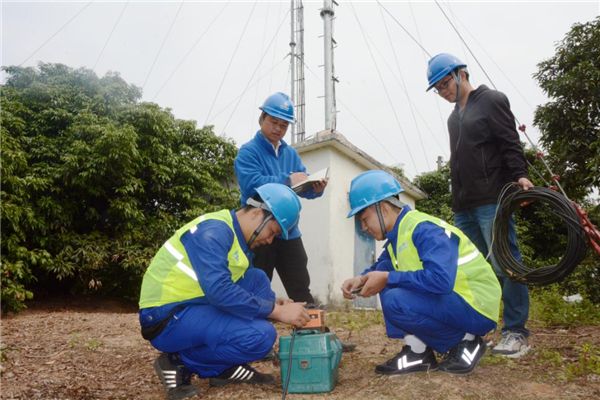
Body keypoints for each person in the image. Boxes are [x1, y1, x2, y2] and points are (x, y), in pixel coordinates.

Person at [139, 183, 311, 400]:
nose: (270, 240)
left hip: (193, 304)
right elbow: (219, 291)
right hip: (166, 317)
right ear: (258, 213)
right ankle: (177, 362)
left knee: (257, 278)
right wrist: (276, 312)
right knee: (261, 336)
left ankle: (222, 367)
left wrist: (276, 304)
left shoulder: (236, 237)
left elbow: (231, 287)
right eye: (272, 232)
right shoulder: (214, 231)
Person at [426, 53, 534, 358]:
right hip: (464, 206)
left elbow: (510, 143)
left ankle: (516, 332)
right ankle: (478, 330)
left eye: (445, 82)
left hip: (492, 200)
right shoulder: (452, 118)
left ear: (461, 74)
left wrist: (521, 176)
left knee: (506, 264)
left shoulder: (492, 100)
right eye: (437, 87)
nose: (443, 91)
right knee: (471, 270)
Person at [341, 170, 501, 375]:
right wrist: (360, 280)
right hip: (457, 302)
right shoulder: (396, 239)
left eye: (364, 219)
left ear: (383, 208)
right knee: (388, 286)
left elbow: (441, 280)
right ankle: (418, 352)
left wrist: (387, 277)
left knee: (395, 295)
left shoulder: (424, 229)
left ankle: (467, 342)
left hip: (477, 304)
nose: (363, 227)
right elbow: (380, 269)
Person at [234, 92, 327, 305]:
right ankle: (255, 331)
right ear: (262, 119)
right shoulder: (248, 151)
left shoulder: (291, 154)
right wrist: (287, 180)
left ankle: (312, 333)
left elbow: (300, 185)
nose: (278, 128)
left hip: (288, 228)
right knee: (257, 283)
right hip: (260, 228)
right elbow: (251, 185)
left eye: (284, 125)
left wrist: (315, 188)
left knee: (300, 284)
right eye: (273, 122)